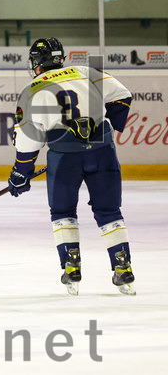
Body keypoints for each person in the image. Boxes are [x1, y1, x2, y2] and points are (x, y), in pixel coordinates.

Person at [8, 38, 135, 295]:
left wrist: (21, 173)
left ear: (37, 62)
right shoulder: (87, 72)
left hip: (64, 158)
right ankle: (123, 268)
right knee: (109, 211)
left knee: (63, 212)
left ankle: (71, 267)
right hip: (103, 152)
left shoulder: (31, 89)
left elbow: (28, 140)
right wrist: (102, 128)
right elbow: (122, 96)